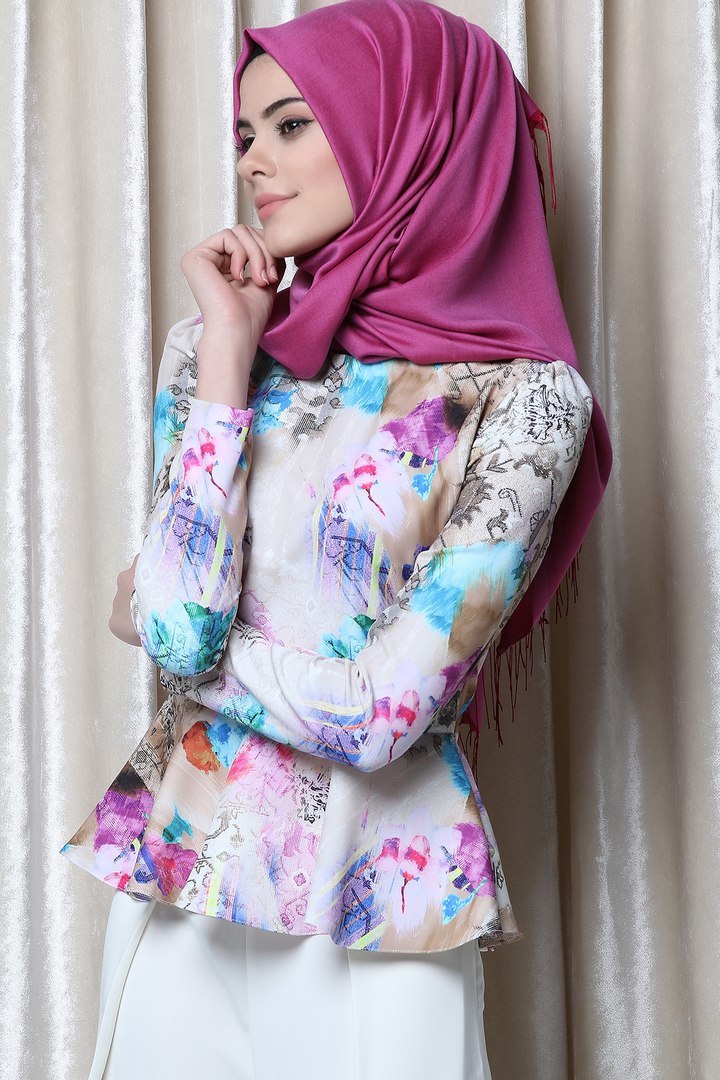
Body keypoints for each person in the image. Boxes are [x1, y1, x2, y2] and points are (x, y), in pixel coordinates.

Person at [60, 1, 611, 1077]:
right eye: (244, 134)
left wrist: (169, 639)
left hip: (384, 906)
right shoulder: (212, 351)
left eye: (291, 124)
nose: (253, 161)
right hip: (186, 874)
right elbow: (176, 625)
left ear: (409, 131)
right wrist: (231, 358)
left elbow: (381, 716)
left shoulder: (527, 401)